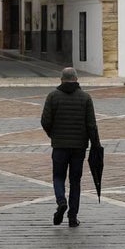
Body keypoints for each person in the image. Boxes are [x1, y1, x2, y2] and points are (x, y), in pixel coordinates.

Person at [40, 67, 98, 227]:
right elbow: (91, 125)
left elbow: (45, 121)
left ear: (61, 79)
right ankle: (73, 217)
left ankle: (61, 201)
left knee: (58, 177)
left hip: (59, 146)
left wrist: (54, 135)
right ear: (77, 79)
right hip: (79, 147)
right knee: (75, 181)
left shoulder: (53, 97)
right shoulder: (85, 98)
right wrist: (95, 144)